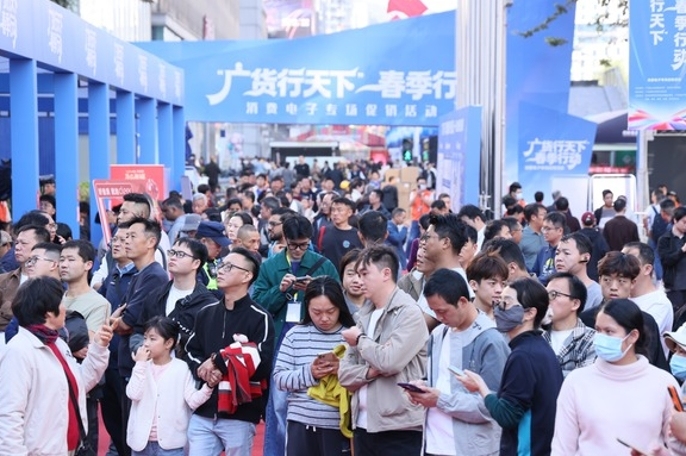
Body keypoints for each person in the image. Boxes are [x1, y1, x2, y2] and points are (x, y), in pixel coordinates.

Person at [253, 214, 339, 456]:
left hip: (316, 340)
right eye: (293, 245)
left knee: (316, 400)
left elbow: (337, 302)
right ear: (285, 240)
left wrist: (315, 290)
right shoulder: (271, 266)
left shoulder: (324, 265)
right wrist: (280, 290)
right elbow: (258, 305)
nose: (299, 250)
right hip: (281, 340)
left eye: (304, 245)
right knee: (279, 404)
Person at [0, 276, 112, 455]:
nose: (65, 308)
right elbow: (9, 414)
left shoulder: (57, 344)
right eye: (61, 303)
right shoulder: (19, 351)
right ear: (48, 314)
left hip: (68, 447)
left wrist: (99, 347)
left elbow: (79, 383)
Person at [551, 299, 679, 455]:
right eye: (598, 330)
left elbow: (678, 444)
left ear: (633, 336)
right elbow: (562, 447)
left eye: (609, 331)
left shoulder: (664, 383)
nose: (600, 337)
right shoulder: (576, 381)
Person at [407, 269, 510, 456]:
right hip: (432, 444)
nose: (439, 318)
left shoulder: (490, 339)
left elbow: (493, 406)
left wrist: (440, 400)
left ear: (462, 302)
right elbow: (439, 382)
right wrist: (421, 388)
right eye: (434, 311)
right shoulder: (438, 334)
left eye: (442, 311)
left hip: (471, 448)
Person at [338, 244, 429, 456]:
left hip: (400, 427)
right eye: (357, 274)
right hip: (362, 424)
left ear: (386, 273)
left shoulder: (409, 313)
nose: (359, 280)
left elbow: (389, 361)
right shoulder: (363, 315)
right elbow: (344, 374)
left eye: (365, 274)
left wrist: (359, 340)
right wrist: (372, 371)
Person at [457, 278, 563, 456]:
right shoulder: (539, 347)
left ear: (529, 313)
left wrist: (481, 387)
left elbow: (507, 416)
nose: (499, 309)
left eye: (506, 304)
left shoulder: (523, 356)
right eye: (498, 303)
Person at [185, 247, 275, 456]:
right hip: (204, 406)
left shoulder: (260, 317)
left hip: (240, 411)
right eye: (221, 265)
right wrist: (204, 369)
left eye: (229, 267)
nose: (221, 270)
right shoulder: (205, 313)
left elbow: (262, 364)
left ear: (247, 276)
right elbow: (190, 350)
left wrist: (219, 362)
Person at [273, 277, 356, 456]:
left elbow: (364, 376)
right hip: (300, 424)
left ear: (340, 307)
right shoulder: (295, 335)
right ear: (307, 307)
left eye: (330, 311)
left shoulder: (351, 336)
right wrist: (310, 373)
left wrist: (342, 370)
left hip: (338, 427)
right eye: (316, 312)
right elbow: (279, 378)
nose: (324, 318)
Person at [126, 316, 215, 456]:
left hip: (171, 445)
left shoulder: (181, 368)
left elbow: (192, 401)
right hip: (141, 444)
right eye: (145, 338)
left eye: (152, 339)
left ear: (168, 343)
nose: (146, 344)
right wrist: (140, 364)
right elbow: (133, 394)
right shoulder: (142, 367)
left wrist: (208, 387)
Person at [132, 238, 215, 359]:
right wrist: (140, 349)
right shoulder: (155, 295)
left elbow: (208, 347)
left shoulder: (208, 305)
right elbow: (139, 331)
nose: (173, 257)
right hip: (151, 365)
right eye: (172, 252)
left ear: (196, 263)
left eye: (180, 254)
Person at [0, 224, 51, 342]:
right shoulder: (3, 280)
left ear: (40, 247)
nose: (17, 247)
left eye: (24, 243)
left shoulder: (52, 283)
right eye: (16, 243)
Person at [622, 242, 673, 356]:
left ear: (647, 269)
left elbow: (640, 340)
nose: (622, 267)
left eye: (630, 262)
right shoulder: (619, 296)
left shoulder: (659, 303)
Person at [542, 272, 596, 377]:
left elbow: (585, 379)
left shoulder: (592, 340)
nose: (546, 300)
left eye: (553, 294)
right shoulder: (537, 336)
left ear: (575, 304)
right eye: (545, 294)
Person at [554, 233, 603, 309]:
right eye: (557, 253)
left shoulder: (597, 294)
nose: (559, 258)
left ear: (585, 258)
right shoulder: (552, 289)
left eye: (566, 253)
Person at [318, 197, 363, 269]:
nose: (335, 213)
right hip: (326, 273)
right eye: (333, 210)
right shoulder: (324, 230)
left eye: (340, 210)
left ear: (349, 212)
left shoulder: (357, 235)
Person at [658, 206, 686, 312]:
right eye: (684, 222)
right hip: (674, 286)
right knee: (677, 315)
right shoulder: (665, 239)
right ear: (675, 220)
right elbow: (666, 261)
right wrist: (682, 250)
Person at [465, 251, 508, 319]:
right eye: (493, 283)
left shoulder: (508, 318)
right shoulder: (461, 317)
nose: (499, 290)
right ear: (474, 285)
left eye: (503, 284)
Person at [531, 212, 567, 284]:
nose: (544, 232)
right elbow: (534, 272)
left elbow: (559, 276)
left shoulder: (566, 252)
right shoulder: (542, 251)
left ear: (560, 231)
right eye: (543, 228)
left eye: (548, 229)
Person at [578, 211, 609, 282]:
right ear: (593, 222)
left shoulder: (577, 236)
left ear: (582, 222)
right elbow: (605, 252)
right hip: (595, 273)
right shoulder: (599, 236)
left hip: (579, 273)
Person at [340, 249, 365, 313]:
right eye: (350, 274)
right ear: (342, 275)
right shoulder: (335, 304)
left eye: (361, 275)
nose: (356, 280)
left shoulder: (378, 304)